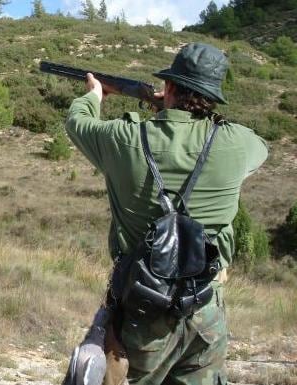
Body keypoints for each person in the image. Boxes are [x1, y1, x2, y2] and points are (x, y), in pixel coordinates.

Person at [64, 42, 268, 384]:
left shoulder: (123, 137)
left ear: (169, 87)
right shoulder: (239, 144)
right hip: (206, 309)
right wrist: (182, 110)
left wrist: (95, 93)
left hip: (142, 311)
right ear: (212, 97)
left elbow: (77, 121)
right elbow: (261, 146)